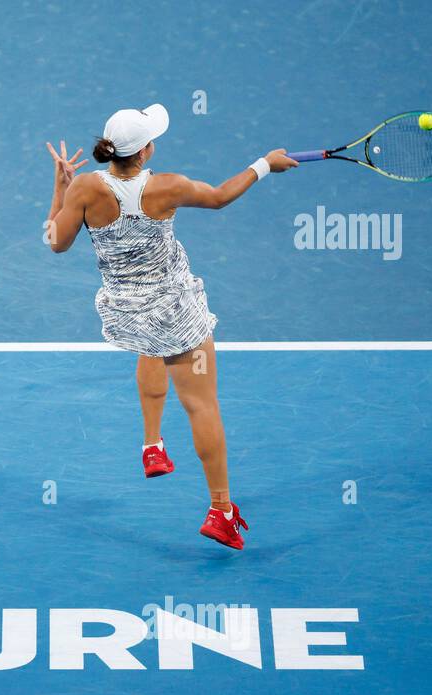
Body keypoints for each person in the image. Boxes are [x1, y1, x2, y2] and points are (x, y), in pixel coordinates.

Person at [44, 103, 297, 549]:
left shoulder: (84, 188)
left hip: (127, 312)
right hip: (177, 314)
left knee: (149, 346)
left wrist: (61, 189)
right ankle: (221, 510)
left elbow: (56, 242)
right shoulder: (167, 187)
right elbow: (219, 197)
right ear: (144, 151)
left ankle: (152, 445)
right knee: (202, 406)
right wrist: (264, 165)